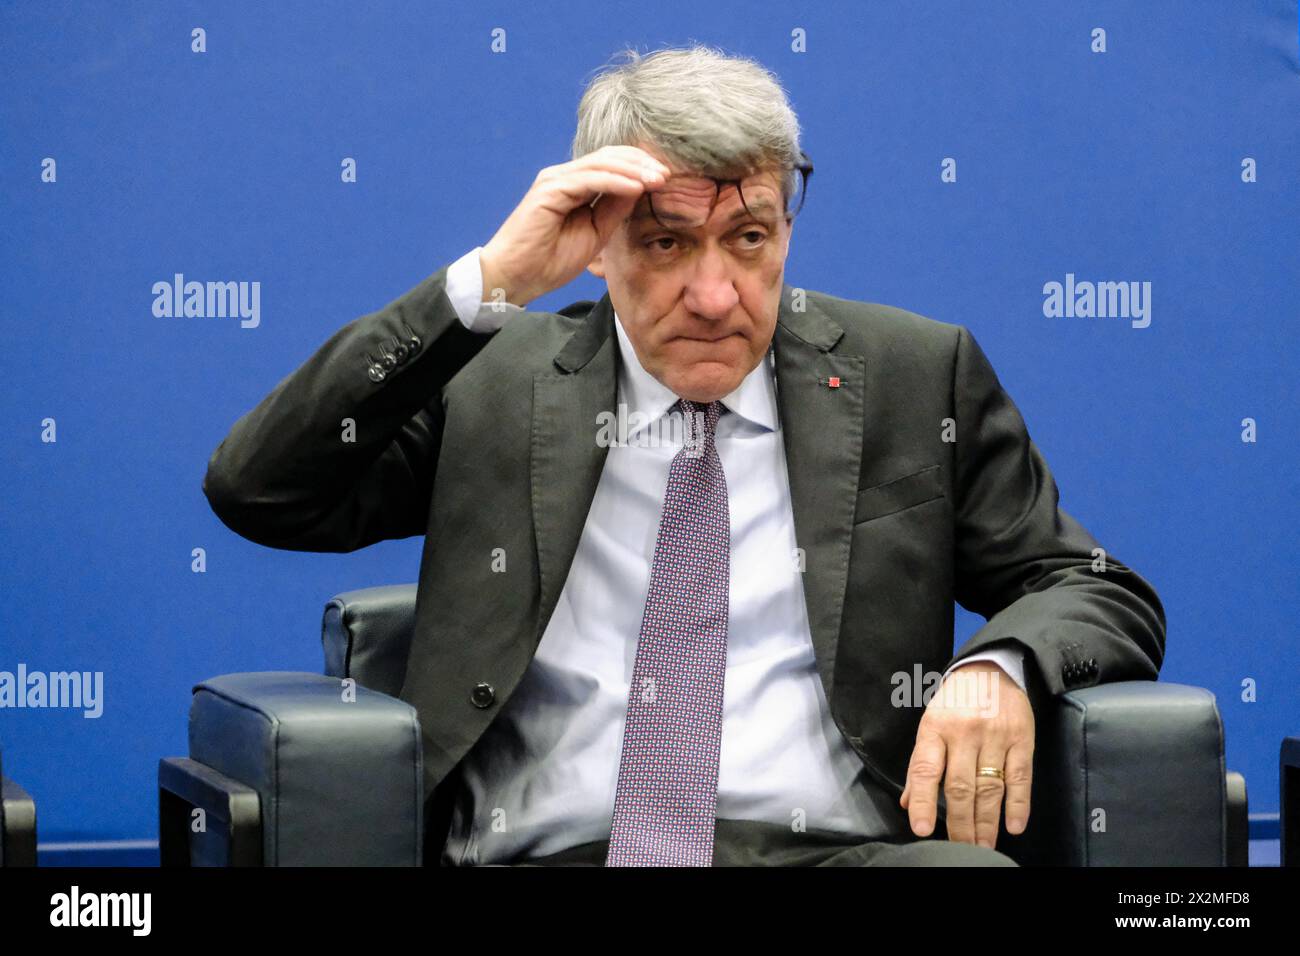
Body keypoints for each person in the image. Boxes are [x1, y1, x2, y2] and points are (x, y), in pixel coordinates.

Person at [201, 44, 1165, 867]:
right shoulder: (495, 381)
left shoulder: (916, 377)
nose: (714, 293)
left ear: (786, 227)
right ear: (595, 244)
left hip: (838, 856)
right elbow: (260, 491)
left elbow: (1096, 588)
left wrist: (1001, 663)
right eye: (666, 243)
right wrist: (486, 285)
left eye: (748, 238)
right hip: (547, 852)